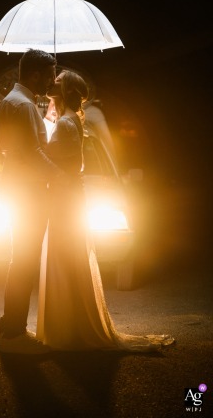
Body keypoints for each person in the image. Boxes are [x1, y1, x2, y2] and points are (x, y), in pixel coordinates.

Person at [36, 69, 175, 352]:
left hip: (64, 199)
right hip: (69, 197)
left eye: (58, 81)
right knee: (68, 257)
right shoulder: (70, 121)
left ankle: (67, 329)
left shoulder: (64, 123)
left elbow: (59, 164)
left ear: (68, 91)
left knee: (64, 258)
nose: (53, 82)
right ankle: (70, 323)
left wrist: (36, 148)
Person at [0, 49, 68, 354]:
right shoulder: (23, 106)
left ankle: (11, 330)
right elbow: (31, 154)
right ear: (36, 74)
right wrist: (61, 176)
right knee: (23, 261)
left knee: (19, 260)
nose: (52, 80)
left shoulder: (10, 101)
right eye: (50, 73)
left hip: (16, 188)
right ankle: (13, 334)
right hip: (27, 192)